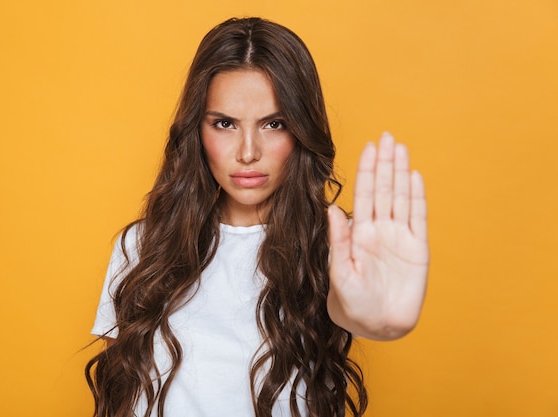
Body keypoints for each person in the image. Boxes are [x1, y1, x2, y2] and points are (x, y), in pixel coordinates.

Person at [85, 17, 429, 417]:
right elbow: (120, 396)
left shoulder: (340, 245)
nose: (248, 151)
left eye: (274, 123)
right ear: (197, 130)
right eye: (225, 124)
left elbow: (348, 305)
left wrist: (377, 320)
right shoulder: (143, 245)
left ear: (301, 130)